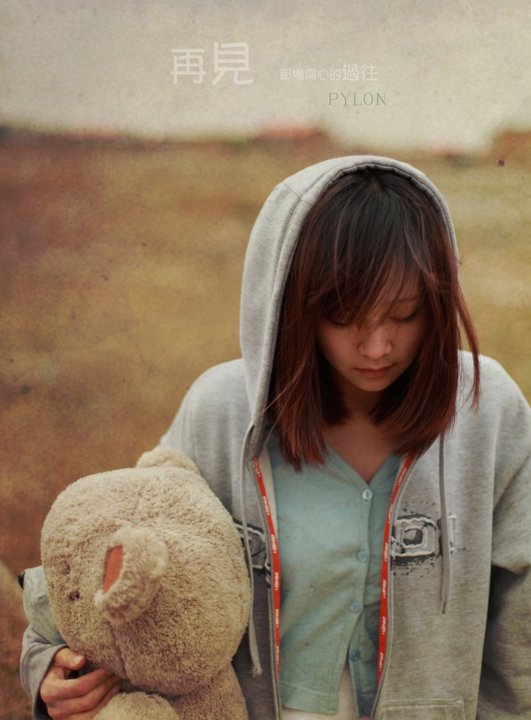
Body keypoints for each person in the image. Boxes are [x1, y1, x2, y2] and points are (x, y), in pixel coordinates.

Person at [20, 156, 531, 720]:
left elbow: (522, 631)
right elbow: (116, 552)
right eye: (344, 317)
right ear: (292, 303)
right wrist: (46, 664)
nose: (377, 347)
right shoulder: (219, 414)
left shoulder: (490, 413)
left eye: (405, 315)